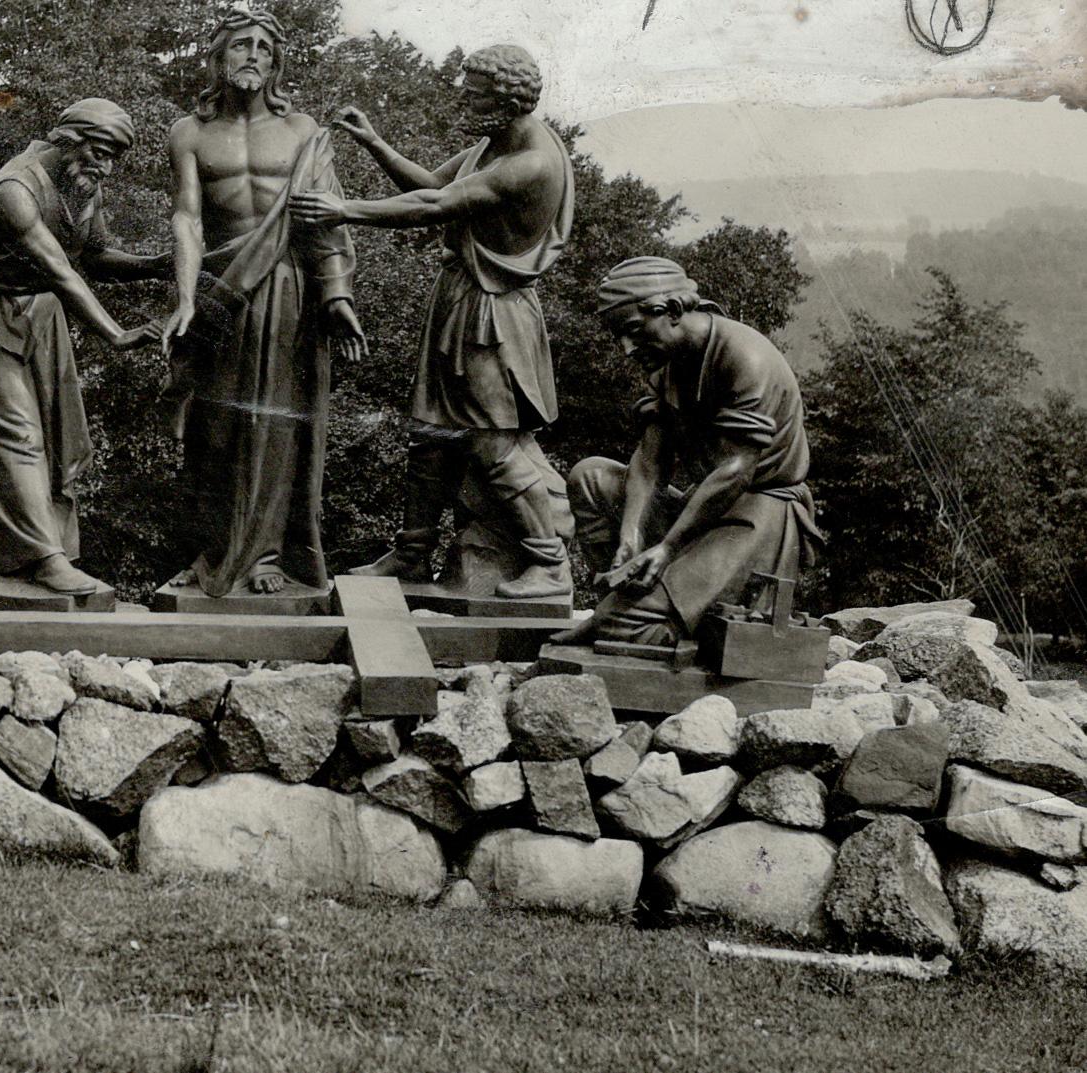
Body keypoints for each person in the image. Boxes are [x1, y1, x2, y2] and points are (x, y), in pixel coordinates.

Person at [290, 44, 574, 600]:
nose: (463, 101)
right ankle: (413, 553)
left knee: (493, 444)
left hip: (494, 314)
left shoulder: (530, 162)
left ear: (505, 99)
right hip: (461, 300)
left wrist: (344, 210)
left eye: (473, 93)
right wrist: (374, 143)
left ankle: (549, 563)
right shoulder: (494, 144)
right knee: (432, 436)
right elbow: (429, 185)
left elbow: (434, 208)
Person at [162, 9, 365, 598]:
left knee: (274, 425)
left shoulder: (303, 131)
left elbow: (324, 217)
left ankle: (268, 556)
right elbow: (187, 216)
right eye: (240, 45)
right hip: (219, 292)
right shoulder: (189, 132)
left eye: (264, 49)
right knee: (213, 424)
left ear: (276, 64)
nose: (253, 55)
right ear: (219, 56)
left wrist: (338, 294)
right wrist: (183, 298)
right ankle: (209, 553)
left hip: (286, 288)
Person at [555, 256, 824, 648]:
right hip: (705, 508)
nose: (627, 349)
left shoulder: (746, 358)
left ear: (675, 310)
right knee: (590, 477)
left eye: (633, 331)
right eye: (619, 337)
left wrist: (668, 547)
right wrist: (630, 536)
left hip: (757, 514)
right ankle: (629, 599)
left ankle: (668, 623)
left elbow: (736, 471)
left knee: (623, 629)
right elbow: (649, 464)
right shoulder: (665, 363)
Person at [0, 98, 164, 596]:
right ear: (68, 141)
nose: (106, 166)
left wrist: (157, 263)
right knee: (17, 436)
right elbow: (63, 273)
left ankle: (10, 558)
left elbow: (94, 257)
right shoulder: (16, 191)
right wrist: (116, 334)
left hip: (40, 317)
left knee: (58, 439)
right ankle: (46, 560)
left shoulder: (80, 188)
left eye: (114, 156)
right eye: (100, 152)